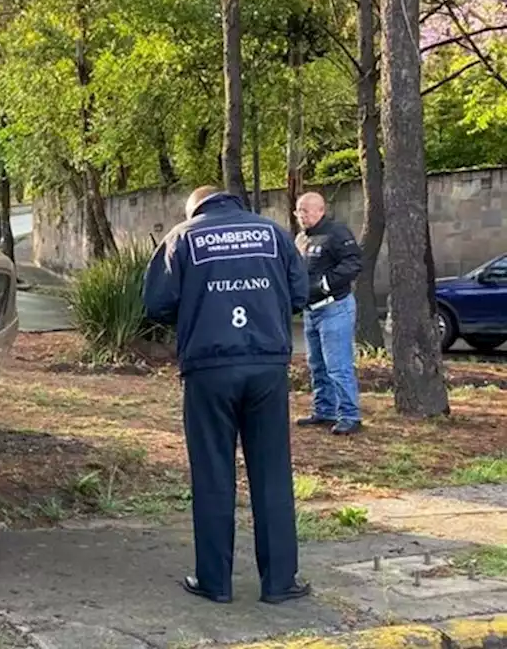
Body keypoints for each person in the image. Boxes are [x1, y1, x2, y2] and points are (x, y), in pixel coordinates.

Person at [143, 186, 310, 604]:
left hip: (209, 369)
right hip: (268, 366)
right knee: (272, 473)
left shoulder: (183, 237)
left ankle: (215, 582)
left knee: (213, 472)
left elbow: (156, 303)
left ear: (195, 208)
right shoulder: (274, 234)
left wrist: (197, 310)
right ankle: (280, 582)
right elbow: (300, 294)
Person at [293, 191, 363, 435]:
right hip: (311, 311)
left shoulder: (337, 233)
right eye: (298, 211)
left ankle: (350, 415)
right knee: (317, 365)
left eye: (306, 210)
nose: (301, 215)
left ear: (320, 210)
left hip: (335, 307)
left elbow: (353, 263)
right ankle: (324, 410)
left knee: (338, 365)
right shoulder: (302, 238)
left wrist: (325, 283)